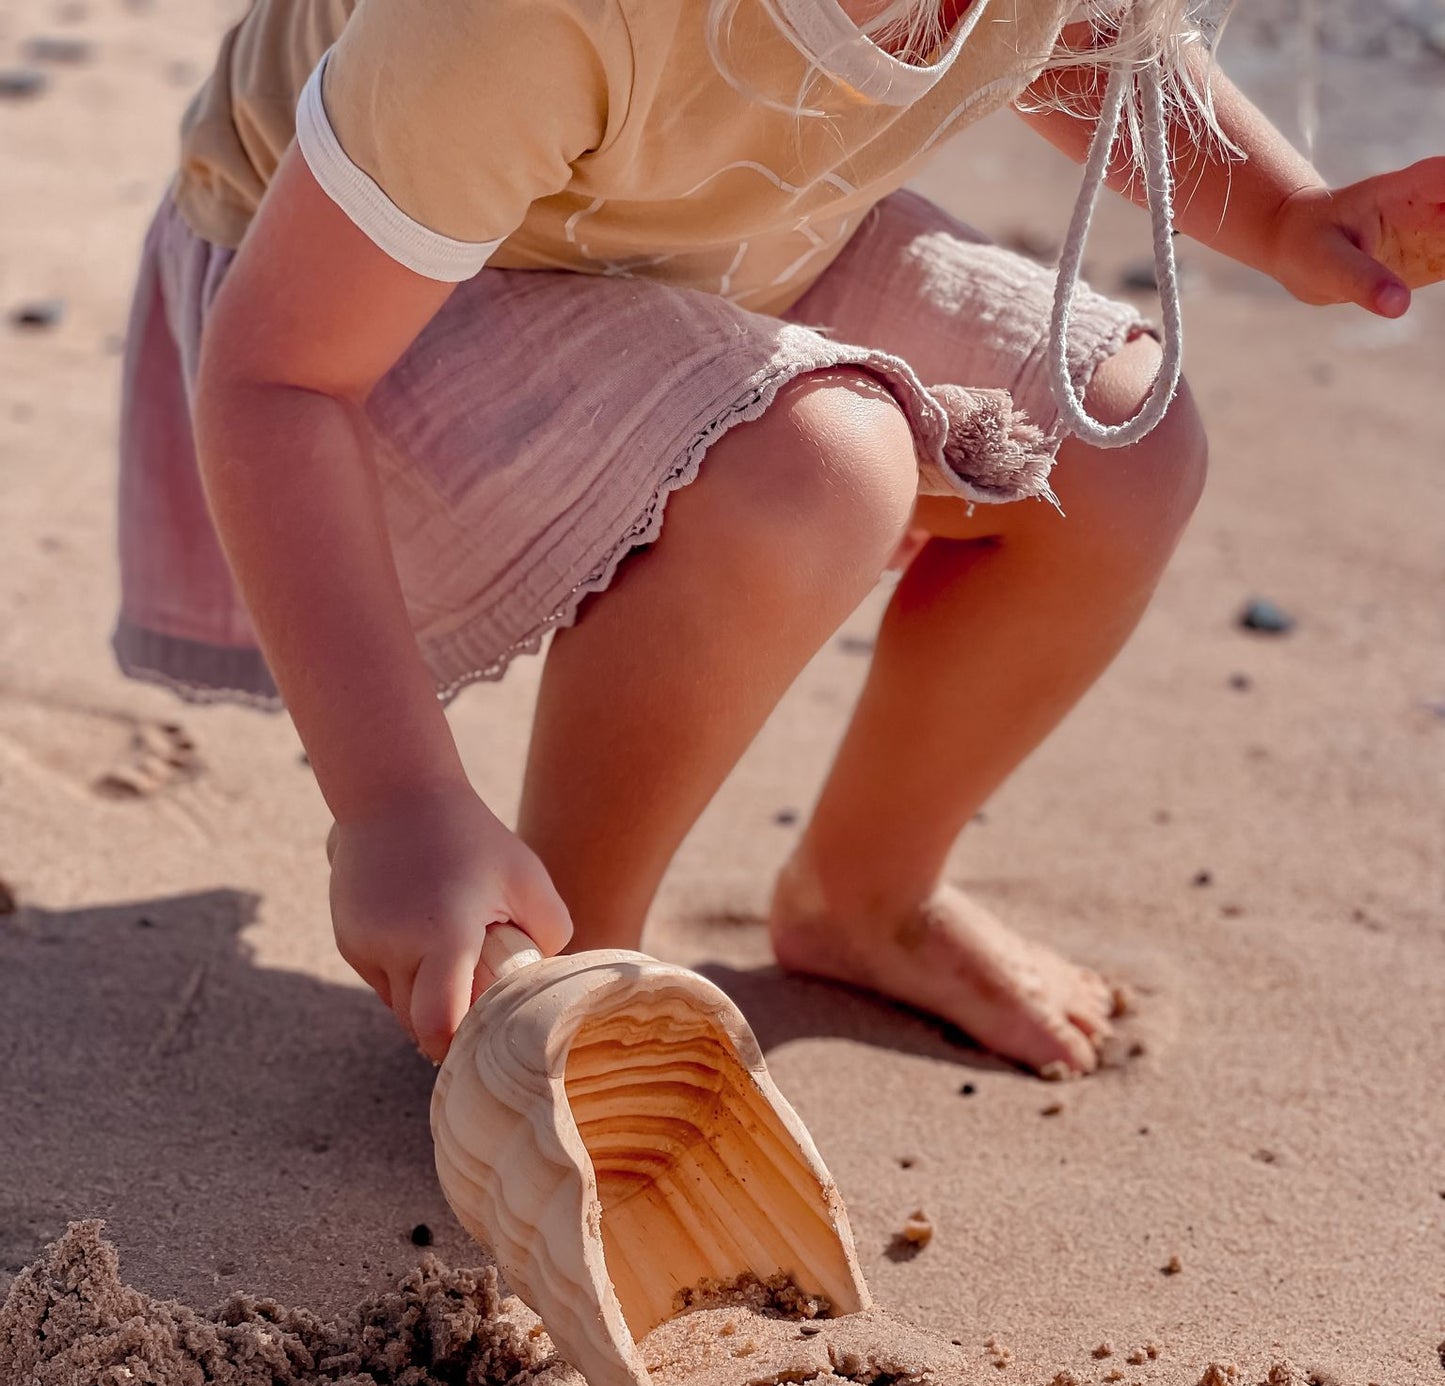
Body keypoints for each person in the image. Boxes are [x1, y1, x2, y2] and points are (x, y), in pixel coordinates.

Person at [111, 0, 1443, 1074]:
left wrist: (1280, 216)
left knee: (1120, 444)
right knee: (816, 467)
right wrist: (395, 806)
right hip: (369, 299)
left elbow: (1077, 47)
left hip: (703, 227)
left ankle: (866, 892)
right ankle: (554, 987)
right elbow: (282, 378)